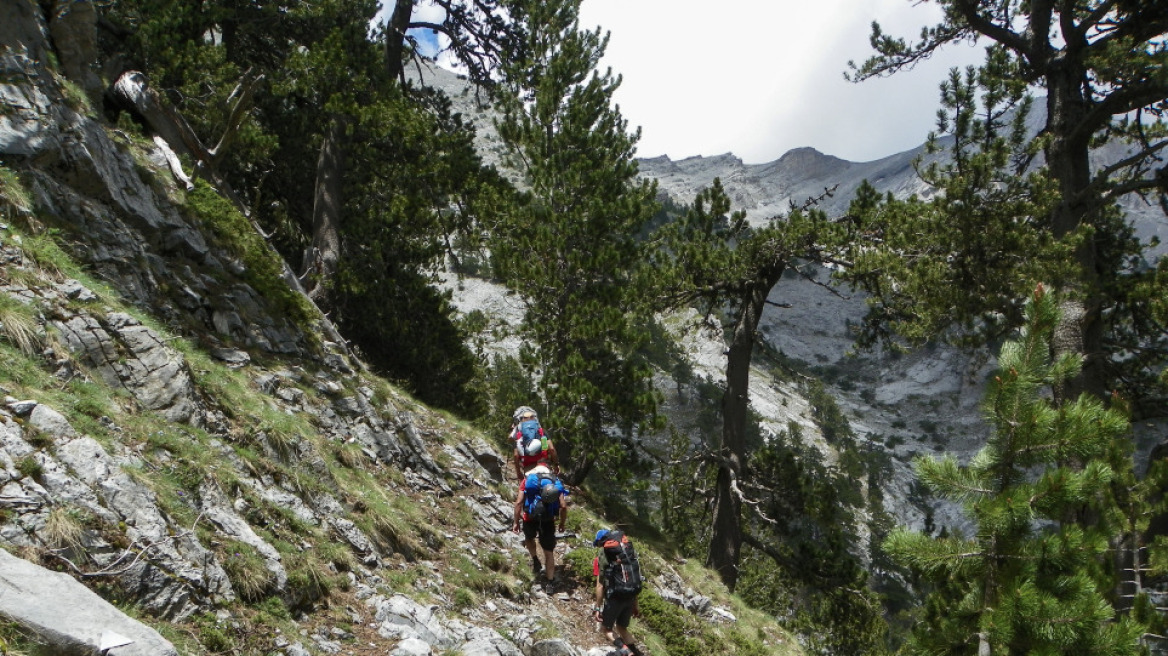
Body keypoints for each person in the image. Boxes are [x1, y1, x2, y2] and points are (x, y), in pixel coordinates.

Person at [511, 459, 568, 587]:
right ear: (548, 469)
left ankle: (535, 559)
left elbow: (519, 502)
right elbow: (563, 506)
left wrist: (516, 522)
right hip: (548, 520)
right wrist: (562, 523)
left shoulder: (528, 480)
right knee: (549, 552)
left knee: (529, 538)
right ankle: (550, 582)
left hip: (529, 518)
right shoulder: (555, 481)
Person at [592, 529, 643, 656]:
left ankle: (626, 651)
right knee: (622, 627)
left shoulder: (601, 558)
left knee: (606, 629)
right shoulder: (628, 555)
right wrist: (635, 604)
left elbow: (600, 586)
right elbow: (634, 578)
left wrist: (597, 608)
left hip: (616, 596)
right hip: (631, 595)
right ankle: (635, 652)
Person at [510, 406, 560, 481]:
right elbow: (551, 449)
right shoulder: (541, 432)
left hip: (528, 468)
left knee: (526, 489)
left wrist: (518, 473)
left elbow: (516, 455)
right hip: (544, 466)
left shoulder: (519, 435)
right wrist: (556, 465)